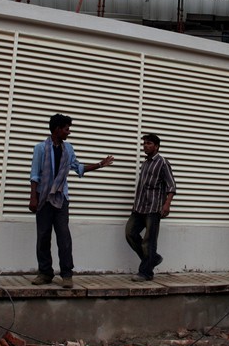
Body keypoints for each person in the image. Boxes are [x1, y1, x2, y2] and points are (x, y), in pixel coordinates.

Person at [29, 114, 114, 289]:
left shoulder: (68, 149)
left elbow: (78, 167)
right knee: (43, 236)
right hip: (43, 198)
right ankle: (45, 273)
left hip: (61, 199)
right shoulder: (40, 148)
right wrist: (33, 197)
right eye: (66, 128)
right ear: (57, 129)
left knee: (64, 237)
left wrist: (100, 164)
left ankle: (67, 274)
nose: (69, 131)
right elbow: (35, 174)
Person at [125, 133, 176, 282]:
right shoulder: (146, 163)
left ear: (157, 146)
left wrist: (167, 204)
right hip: (139, 207)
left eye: (149, 143)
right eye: (144, 143)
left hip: (153, 209)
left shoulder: (162, 163)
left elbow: (171, 185)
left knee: (149, 241)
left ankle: (146, 272)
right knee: (130, 233)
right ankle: (153, 259)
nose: (146, 146)